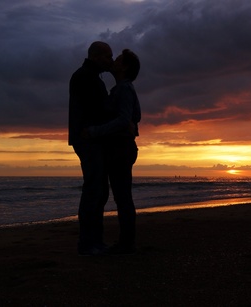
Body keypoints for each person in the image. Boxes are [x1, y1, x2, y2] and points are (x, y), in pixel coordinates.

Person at [85, 49, 141, 254]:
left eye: (117, 59)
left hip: (120, 148)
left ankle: (127, 244)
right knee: (122, 196)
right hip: (121, 147)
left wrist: (94, 131)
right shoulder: (124, 88)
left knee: (122, 197)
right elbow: (136, 115)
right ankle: (127, 243)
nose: (113, 62)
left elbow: (125, 119)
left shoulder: (124, 89)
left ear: (124, 67)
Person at [68, 41, 113, 256]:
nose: (110, 61)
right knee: (94, 190)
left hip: (91, 138)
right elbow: (99, 110)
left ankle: (94, 241)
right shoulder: (85, 77)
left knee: (98, 190)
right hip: (88, 139)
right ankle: (88, 244)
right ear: (96, 56)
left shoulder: (91, 77)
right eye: (107, 57)